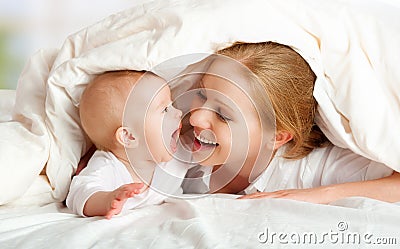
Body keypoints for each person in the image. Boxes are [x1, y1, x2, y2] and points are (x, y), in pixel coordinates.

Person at [182, 41, 399, 204]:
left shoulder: (311, 168)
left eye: (223, 114)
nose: (196, 118)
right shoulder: (180, 136)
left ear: (277, 137)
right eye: (201, 94)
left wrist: (316, 195)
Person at [66, 70, 185, 219]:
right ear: (129, 137)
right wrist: (107, 200)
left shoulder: (180, 153)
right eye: (165, 109)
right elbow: (80, 193)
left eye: (172, 104)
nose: (179, 112)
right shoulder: (109, 167)